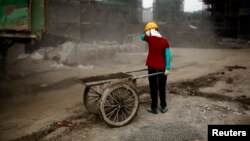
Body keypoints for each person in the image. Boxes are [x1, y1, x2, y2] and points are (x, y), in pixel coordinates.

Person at [140, 21, 171, 114]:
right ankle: (163, 106)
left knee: (153, 87)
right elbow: (168, 55)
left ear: (150, 31)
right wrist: (168, 67)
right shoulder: (165, 41)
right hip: (162, 68)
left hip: (152, 66)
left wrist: (148, 32)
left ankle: (154, 107)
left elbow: (141, 36)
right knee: (162, 87)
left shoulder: (149, 38)